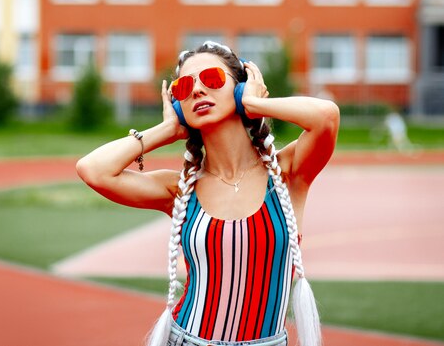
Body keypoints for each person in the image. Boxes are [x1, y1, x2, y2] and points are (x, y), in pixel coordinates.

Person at [76, 41, 340, 346]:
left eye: (212, 79)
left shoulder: (288, 173)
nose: (198, 90)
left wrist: (254, 104)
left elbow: (327, 117)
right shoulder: (180, 189)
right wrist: (167, 129)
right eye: (185, 87)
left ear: (240, 89)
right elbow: (93, 170)